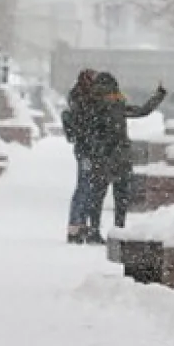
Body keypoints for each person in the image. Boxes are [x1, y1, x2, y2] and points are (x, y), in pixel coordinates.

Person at [85, 72, 167, 234]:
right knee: (121, 196)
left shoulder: (92, 106)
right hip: (119, 157)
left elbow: (88, 132)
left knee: (97, 196)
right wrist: (159, 95)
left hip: (100, 158)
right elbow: (143, 111)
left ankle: (94, 231)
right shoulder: (117, 105)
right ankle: (118, 229)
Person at [60, 69, 102, 244]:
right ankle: (75, 226)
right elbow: (87, 125)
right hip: (86, 150)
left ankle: (80, 225)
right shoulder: (82, 100)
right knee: (85, 187)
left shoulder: (80, 98)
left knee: (89, 187)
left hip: (88, 149)